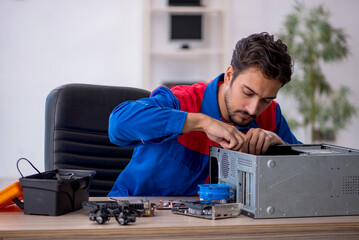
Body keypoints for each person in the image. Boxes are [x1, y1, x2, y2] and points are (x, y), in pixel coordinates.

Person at [107, 32, 302, 197]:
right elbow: (118, 124)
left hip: (215, 224)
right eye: (247, 93)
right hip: (136, 216)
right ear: (229, 75)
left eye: (266, 100)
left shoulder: (271, 115)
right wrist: (200, 122)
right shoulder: (180, 100)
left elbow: (310, 170)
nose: (253, 109)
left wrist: (279, 144)